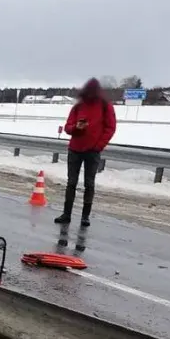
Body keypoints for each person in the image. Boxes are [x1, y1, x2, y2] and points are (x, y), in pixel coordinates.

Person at [56, 78, 116, 227]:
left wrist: (98, 146)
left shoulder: (104, 106)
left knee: (89, 183)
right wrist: (76, 127)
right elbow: (68, 127)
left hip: (92, 151)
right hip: (75, 149)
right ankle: (67, 213)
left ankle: (85, 216)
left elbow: (110, 127)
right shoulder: (78, 106)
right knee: (71, 182)